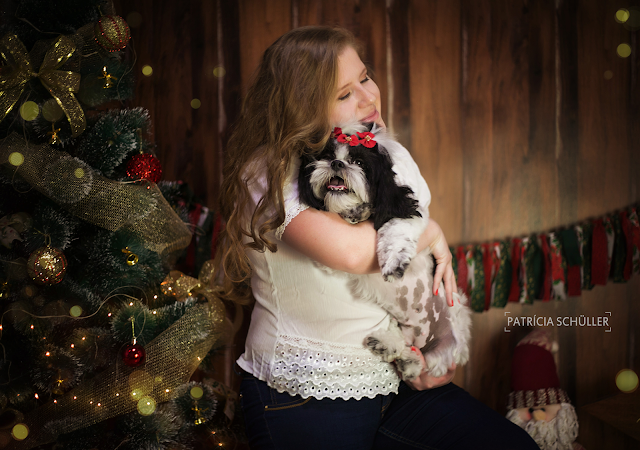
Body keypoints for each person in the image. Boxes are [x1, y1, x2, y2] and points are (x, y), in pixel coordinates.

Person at [217, 25, 540, 450]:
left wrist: (443, 347)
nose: (369, 97)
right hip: (305, 393)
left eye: (365, 77)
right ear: (303, 108)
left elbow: (420, 272)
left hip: (395, 376)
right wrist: (432, 230)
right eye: (344, 94)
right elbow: (354, 253)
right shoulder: (269, 173)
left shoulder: (394, 156)